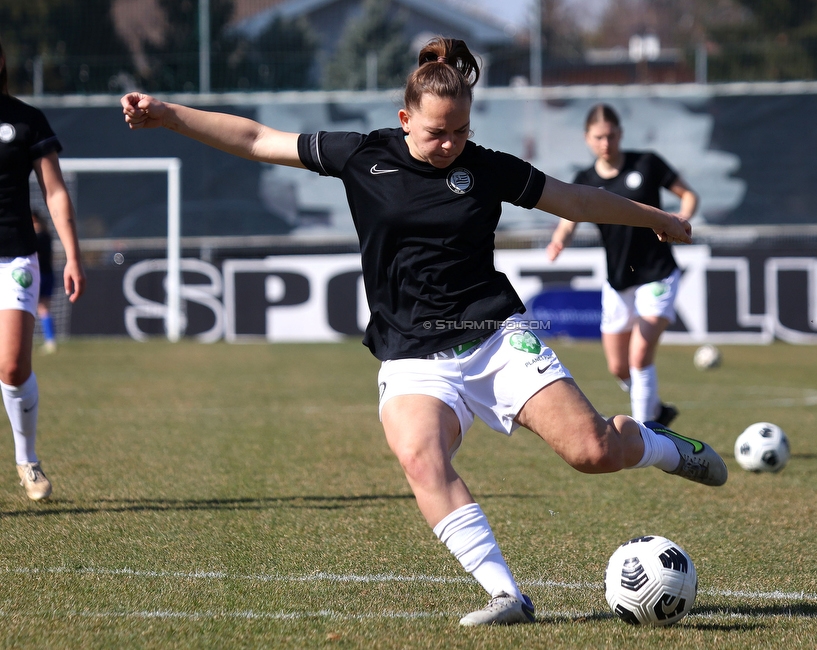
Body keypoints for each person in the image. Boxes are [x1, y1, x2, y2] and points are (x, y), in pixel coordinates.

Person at [120, 37, 726, 626]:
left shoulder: (486, 169)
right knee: (419, 457)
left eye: (461, 132)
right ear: (405, 118)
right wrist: (168, 115)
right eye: (437, 132)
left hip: (493, 335)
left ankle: (667, 447)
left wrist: (659, 219)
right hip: (411, 354)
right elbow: (256, 138)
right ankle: (506, 594)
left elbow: (577, 200)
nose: (450, 144)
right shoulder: (360, 154)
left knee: (592, 452)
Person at [547, 104, 698, 428]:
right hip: (618, 280)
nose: (606, 143)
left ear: (620, 135)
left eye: (611, 135)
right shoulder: (585, 181)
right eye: (599, 137)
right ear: (587, 139)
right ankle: (656, 409)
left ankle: (645, 435)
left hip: (657, 272)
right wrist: (560, 239)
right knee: (619, 368)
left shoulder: (647, 162)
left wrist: (681, 219)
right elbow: (569, 219)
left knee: (640, 357)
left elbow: (688, 195)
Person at [0, 39, 86, 500]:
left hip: (14, 256)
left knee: (12, 367)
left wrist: (72, 254)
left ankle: (26, 459)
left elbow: (54, 191)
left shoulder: (26, 119)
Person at [31, 210, 57, 354]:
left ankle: (48, 341)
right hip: (49, 274)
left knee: (39, 308)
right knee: (45, 309)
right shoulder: (47, 235)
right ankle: (50, 340)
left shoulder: (37, 237)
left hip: (39, 275)